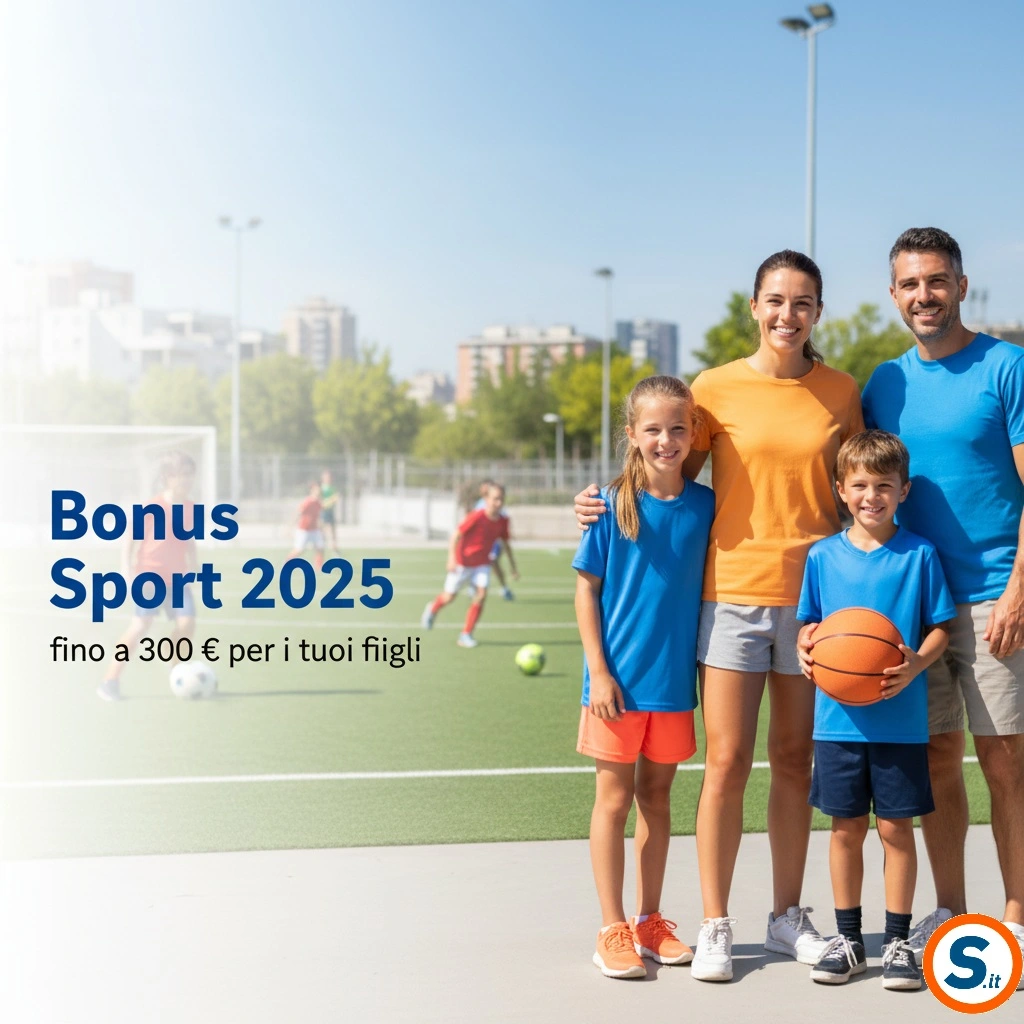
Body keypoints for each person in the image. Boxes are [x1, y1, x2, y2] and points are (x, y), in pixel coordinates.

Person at [576, 250, 863, 980]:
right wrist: (598, 501)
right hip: (729, 597)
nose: (786, 315)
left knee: (796, 762)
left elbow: (852, 491)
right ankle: (713, 922)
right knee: (727, 762)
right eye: (774, 300)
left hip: (811, 606)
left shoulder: (840, 392)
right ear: (754, 306)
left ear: (818, 312)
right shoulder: (713, 390)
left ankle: (787, 914)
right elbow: (666, 478)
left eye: (802, 302)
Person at [850, 227, 1024, 969]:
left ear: (960, 284)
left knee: (1006, 762)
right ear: (894, 295)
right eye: (910, 284)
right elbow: (861, 490)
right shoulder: (883, 385)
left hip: (993, 599)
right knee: (938, 762)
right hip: (914, 609)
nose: (924, 295)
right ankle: (953, 914)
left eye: (937, 280)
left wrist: (1019, 588)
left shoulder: (1007, 367)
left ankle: (1015, 916)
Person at [797, 430, 954, 990]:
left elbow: (940, 628)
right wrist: (805, 642)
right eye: (859, 485)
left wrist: (916, 665)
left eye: (883, 486)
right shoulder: (821, 556)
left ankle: (896, 943)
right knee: (844, 829)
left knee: (895, 829)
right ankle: (847, 940)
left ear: (904, 490)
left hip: (901, 721)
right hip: (837, 721)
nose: (871, 496)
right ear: (841, 490)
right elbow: (810, 626)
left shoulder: (920, 555)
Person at [573, 375, 714, 979]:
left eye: (678, 428)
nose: (666, 439)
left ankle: (650, 922)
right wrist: (598, 672)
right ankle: (611, 928)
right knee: (613, 800)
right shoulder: (608, 505)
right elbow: (586, 590)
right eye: (653, 429)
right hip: (615, 689)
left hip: (673, 687)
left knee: (657, 800)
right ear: (631, 434)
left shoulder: (708, 504)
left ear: (693, 434)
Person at [97, 451, 199, 701]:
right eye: (181, 475)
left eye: (189, 475)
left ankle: (174, 663)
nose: (187, 480)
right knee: (140, 626)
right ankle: (109, 680)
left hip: (178, 579)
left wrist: (196, 566)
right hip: (150, 577)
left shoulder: (190, 508)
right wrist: (125, 567)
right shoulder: (154, 507)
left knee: (187, 623)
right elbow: (131, 537)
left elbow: (190, 540)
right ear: (168, 477)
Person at [420, 483, 518, 648]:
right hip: (463, 563)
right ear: (486, 499)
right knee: (449, 597)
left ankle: (466, 634)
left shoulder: (503, 521)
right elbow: (456, 535)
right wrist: (451, 558)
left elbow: (506, 544)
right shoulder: (476, 516)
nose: (499, 503)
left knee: (481, 595)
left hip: (482, 565)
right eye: (495, 499)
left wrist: (513, 567)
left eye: (501, 499)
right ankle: (432, 609)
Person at [474, 479, 515, 601]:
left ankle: (504, 587)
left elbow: (502, 522)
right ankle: (476, 585)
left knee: (494, 563)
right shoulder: (479, 504)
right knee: (478, 564)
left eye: (486, 488)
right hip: (480, 543)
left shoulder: (496, 503)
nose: (483, 490)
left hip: (493, 543)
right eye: (482, 488)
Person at [287, 481, 325, 568]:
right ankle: (287, 562)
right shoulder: (307, 502)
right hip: (304, 530)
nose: (318, 491)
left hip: (314, 530)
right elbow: (298, 513)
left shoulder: (318, 503)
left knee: (320, 547)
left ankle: (319, 567)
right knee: (299, 550)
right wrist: (289, 527)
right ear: (312, 490)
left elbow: (318, 517)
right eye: (316, 490)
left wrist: (321, 529)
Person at [320, 469, 340, 555]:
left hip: (330, 511)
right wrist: (332, 500)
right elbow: (321, 503)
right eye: (326, 476)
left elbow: (335, 499)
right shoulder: (321, 488)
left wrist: (334, 499)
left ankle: (335, 551)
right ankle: (321, 551)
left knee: (333, 532)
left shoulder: (332, 488)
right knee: (323, 532)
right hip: (323, 512)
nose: (328, 478)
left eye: (329, 477)